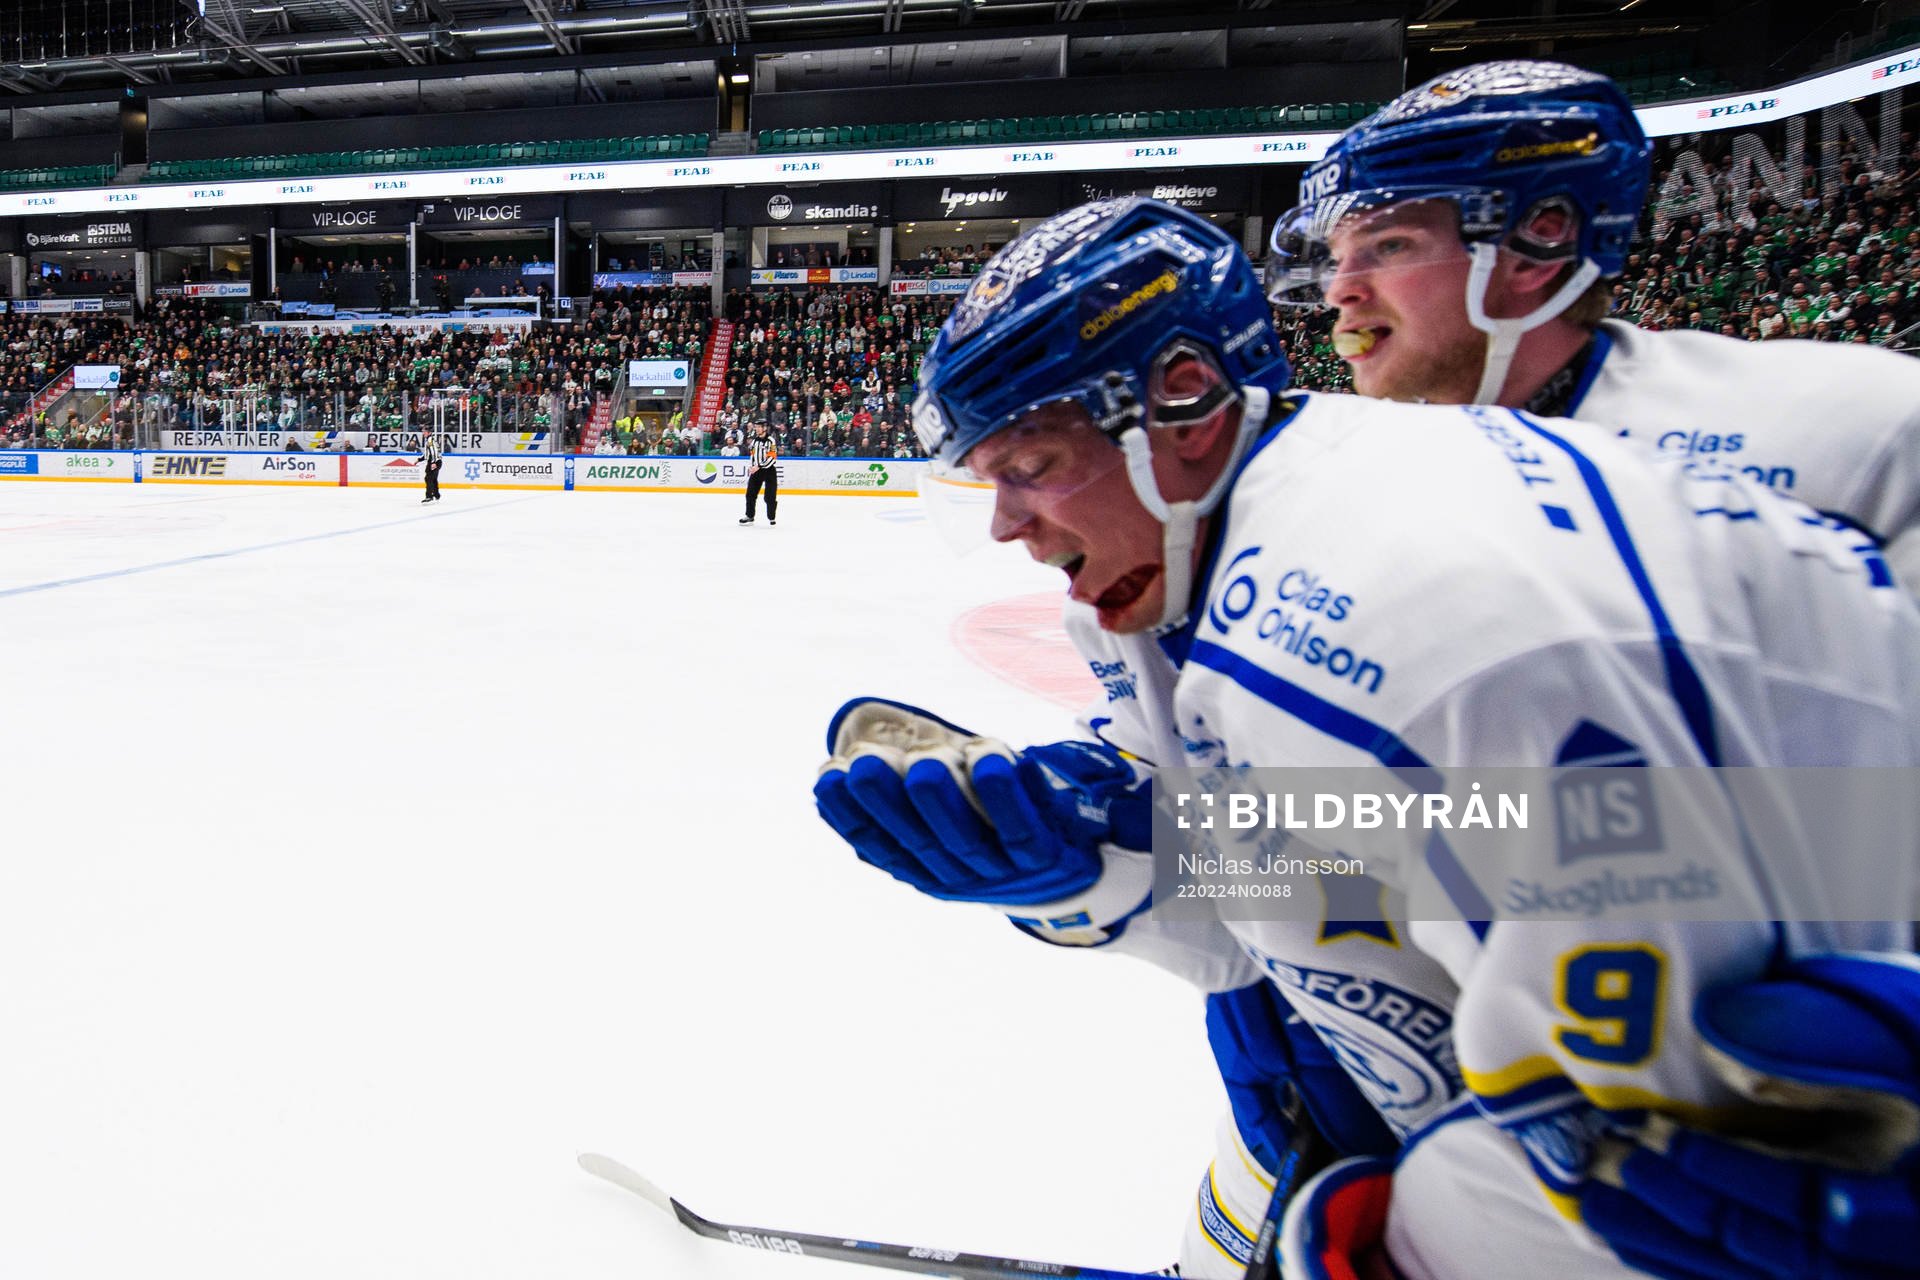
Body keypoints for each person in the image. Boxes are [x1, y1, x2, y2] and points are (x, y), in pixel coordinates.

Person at [813, 197, 1920, 1280]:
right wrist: (1095, 862)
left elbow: (1655, 1161)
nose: (1006, 523)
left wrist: (1358, 1247)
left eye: (1031, 467)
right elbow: (1335, 871)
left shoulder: (1432, 620)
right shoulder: (1186, 566)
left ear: (1185, 401)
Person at [1266, 58, 1920, 588]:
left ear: (1536, 244)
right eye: (1336, 256)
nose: (1340, 291)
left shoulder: (1860, 426)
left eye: (1390, 246)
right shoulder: (1357, 468)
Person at [740, 420, 777, 526]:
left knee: (769, 497)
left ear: (764, 428)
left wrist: (759, 466)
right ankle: (750, 516)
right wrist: (752, 466)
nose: (756, 429)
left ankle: (771, 517)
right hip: (756, 470)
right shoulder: (754, 441)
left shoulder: (771, 441)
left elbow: (772, 458)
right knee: (750, 494)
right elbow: (752, 455)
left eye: (758, 427)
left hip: (769, 470)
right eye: (755, 427)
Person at [419, 428, 442, 503]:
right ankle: (436, 494)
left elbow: (434, 452)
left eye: (424, 432)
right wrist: (419, 459)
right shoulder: (430, 440)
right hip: (436, 461)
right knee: (433, 478)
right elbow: (427, 454)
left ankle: (429, 496)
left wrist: (433, 462)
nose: (423, 433)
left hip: (434, 461)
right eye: (423, 432)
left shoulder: (430, 440)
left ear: (429, 432)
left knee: (428, 478)